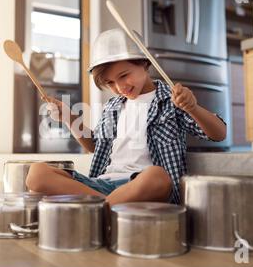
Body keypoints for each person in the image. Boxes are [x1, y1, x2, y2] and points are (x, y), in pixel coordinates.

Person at [26, 28, 226, 205]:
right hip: (101, 184)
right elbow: (95, 146)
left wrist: (193, 108)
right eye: (110, 83)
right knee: (36, 174)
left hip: (141, 186)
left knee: (157, 177)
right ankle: (105, 206)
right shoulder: (113, 106)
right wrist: (69, 118)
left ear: (144, 63)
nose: (120, 87)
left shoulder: (172, 99)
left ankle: (93, 209)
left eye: (123, 76)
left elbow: (219, 133)